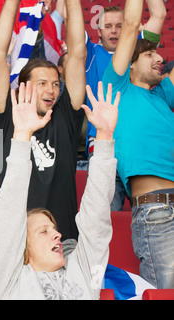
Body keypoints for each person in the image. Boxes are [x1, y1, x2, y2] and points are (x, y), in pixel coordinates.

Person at [0, 79, 119, 300]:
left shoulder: (84, 273)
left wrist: (104, 137)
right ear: (23, 250)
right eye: (44, 231)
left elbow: (96, 217)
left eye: (53, 229)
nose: (58, 234)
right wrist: (21, 136)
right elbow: (8, 215)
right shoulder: (10, 284)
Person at [0, 0, 86, 240]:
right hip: (18, 242)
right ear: (23, 87)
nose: (50, 90)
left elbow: (77, 54)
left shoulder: (66, 116)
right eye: (41, 84)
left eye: (54, 84)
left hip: (63, 242)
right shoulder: (7, 114)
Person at [101, 0, 174, 289]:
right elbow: (131, 24)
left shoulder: (162, 93)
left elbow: (160, 13)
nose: (159, 58)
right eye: (150, 54)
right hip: (157, 213)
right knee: (165, 293)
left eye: (159, 52)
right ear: (130, 64)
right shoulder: (117, 87)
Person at [76, 0, 166, 211]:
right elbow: (74, 25)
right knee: (105, 217)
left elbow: (159, 14)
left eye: (120, 26)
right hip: (103, 143)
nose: (114, 31)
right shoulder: (90, 51)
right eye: (108, 26)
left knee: (149, 215)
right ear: (98, 31)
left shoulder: (139, 50)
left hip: (137, 144)